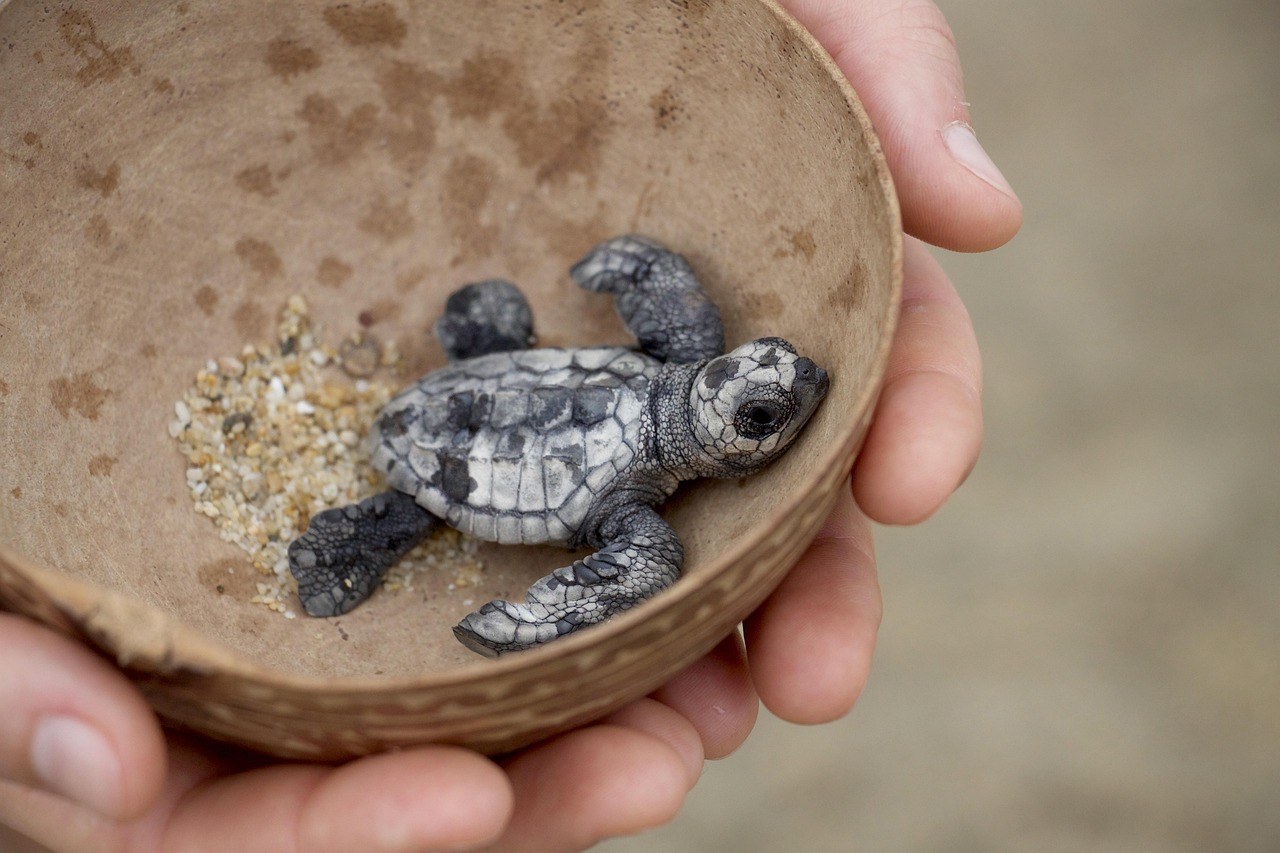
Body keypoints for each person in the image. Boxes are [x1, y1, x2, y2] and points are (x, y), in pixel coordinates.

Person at [0, 0, 1021, 848]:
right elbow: (654, 308)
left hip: (502, 385)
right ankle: (371, 530)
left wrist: (636, 273)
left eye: (764, 391)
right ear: (722, 435)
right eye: (762, 405)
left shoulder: (679, 365)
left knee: (515, 347)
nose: (796, 385)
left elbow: (655, 281)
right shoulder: (640, 497)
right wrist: (520, 628)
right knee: (549, 538)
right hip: (458, 455)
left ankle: (477, 362)